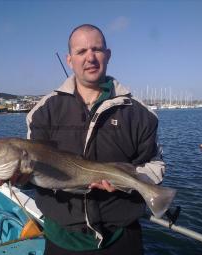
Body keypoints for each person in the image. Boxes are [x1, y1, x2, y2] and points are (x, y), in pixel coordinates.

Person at [26, 24, 165, 255]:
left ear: (108, 55)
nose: (90, 57)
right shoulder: (44, 111)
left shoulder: (139, 112)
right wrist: (18, 178)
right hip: (61, 239)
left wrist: (129, 182)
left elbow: (154, 165)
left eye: (97, 49)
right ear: (70, 60)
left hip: (121, 237)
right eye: (81, 52)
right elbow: (32, 173)